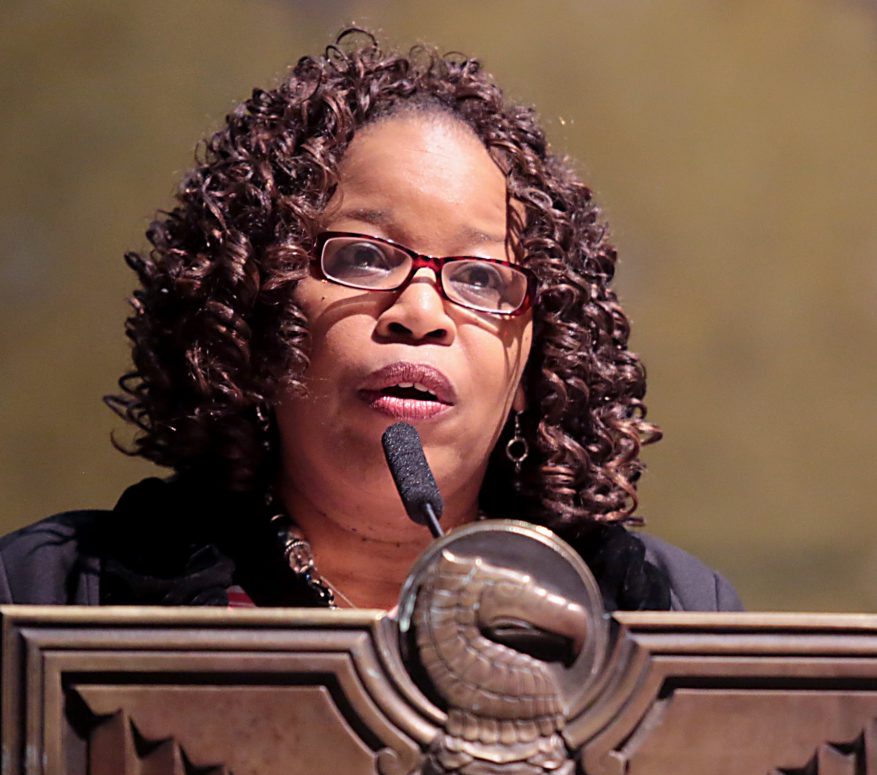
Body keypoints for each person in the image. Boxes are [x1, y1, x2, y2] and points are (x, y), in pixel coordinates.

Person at [0, 31, 741, 613]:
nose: (420, 313)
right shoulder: (48, 591)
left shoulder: (661, 611)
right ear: (254, 309)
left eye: (480, 277)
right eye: (361, 257)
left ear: (532, 366)